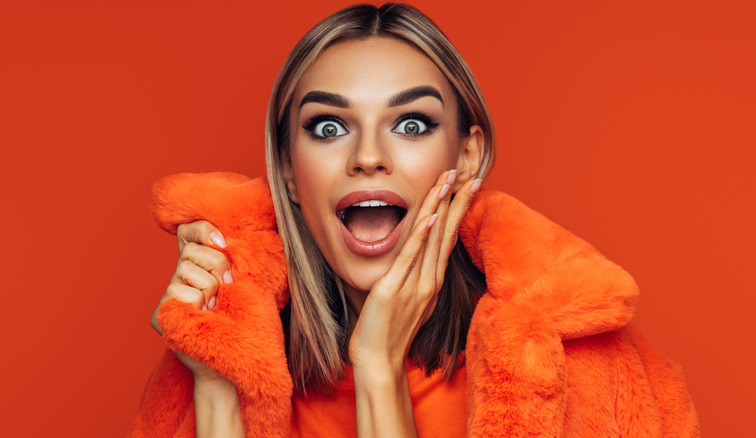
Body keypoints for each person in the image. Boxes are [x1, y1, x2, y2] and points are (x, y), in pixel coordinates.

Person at [130, 3, 699, 437]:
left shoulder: (589, 369)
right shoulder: (204, 379)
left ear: (467, 156)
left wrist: (378, 368)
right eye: (328, 127)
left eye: (411, 124)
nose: (369, 155)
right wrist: (218, 387)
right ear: (286, 168)